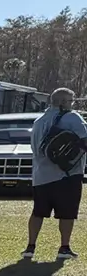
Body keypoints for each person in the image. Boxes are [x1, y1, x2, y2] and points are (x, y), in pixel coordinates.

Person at [26, 87, 87, 259]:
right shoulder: (72, 117)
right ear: (63, 103)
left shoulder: (39, 121)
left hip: (41, 176)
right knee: (67, 213)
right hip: (67, 175)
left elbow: (35, 149)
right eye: (71, 101)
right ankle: (64, 248)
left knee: (38, 212)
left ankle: (30, 247)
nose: (72, 104)